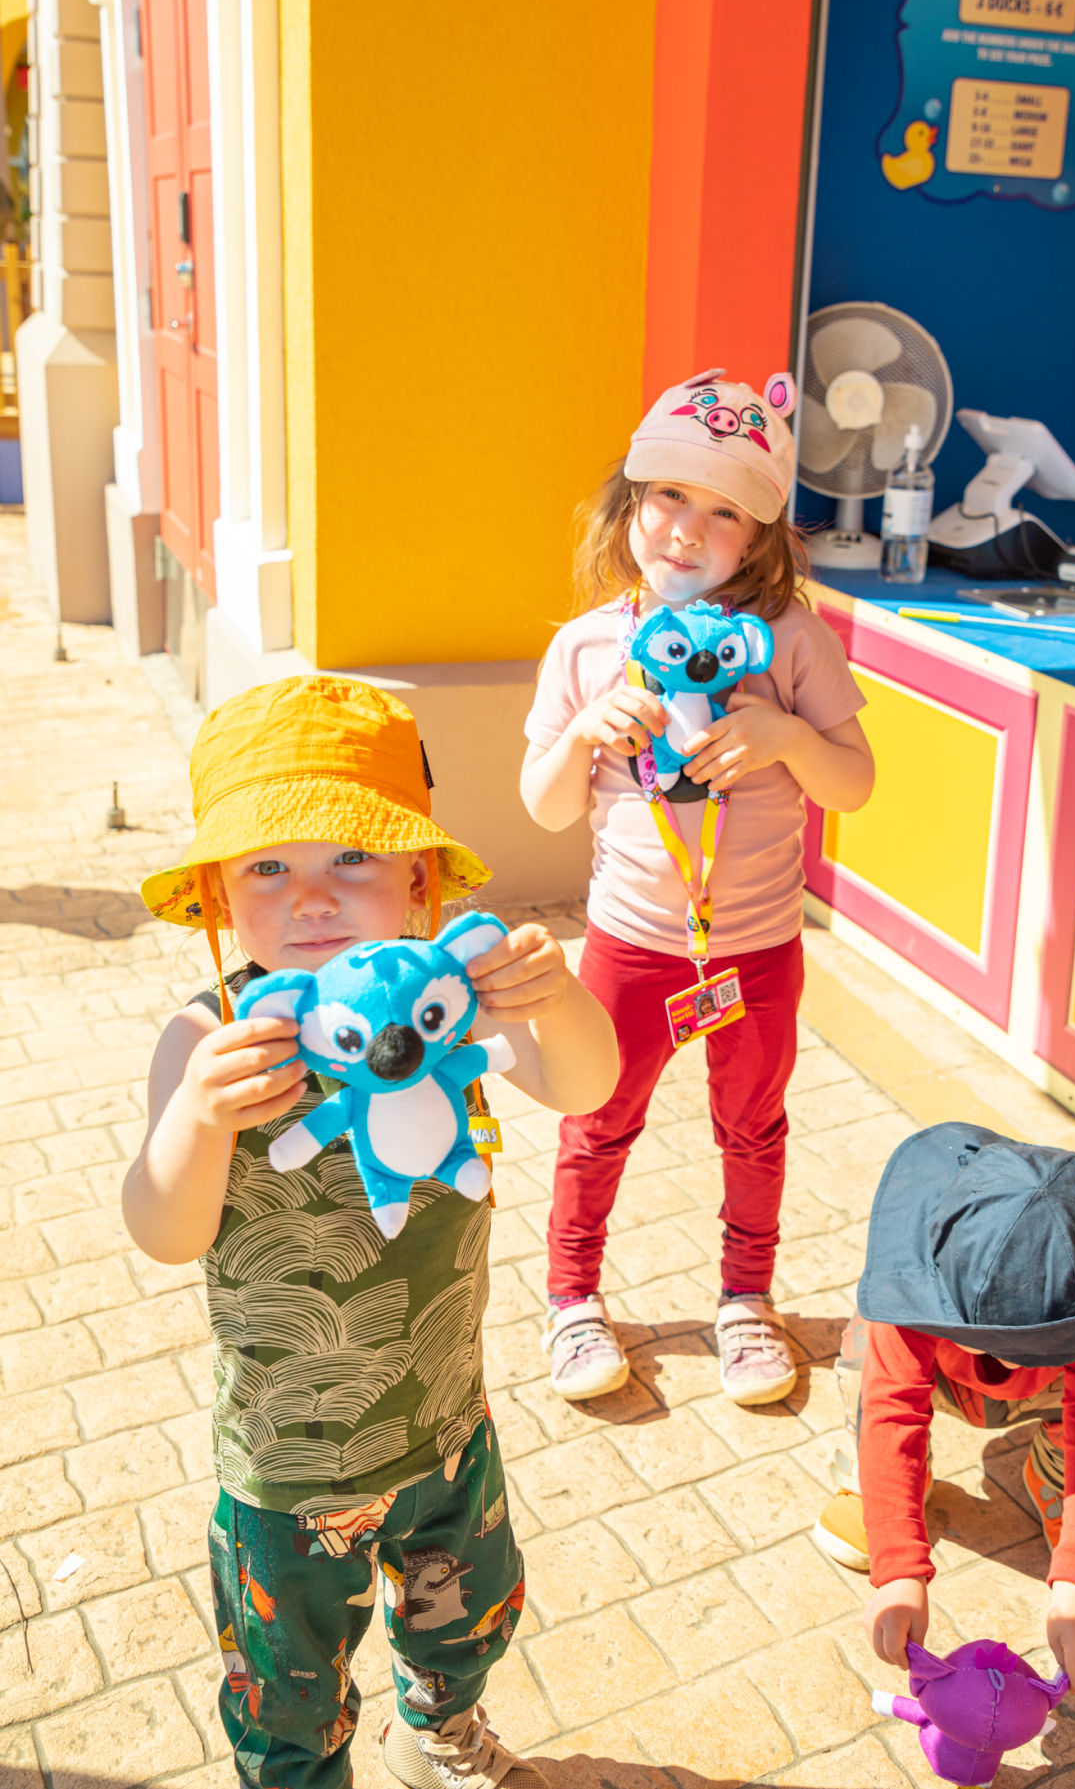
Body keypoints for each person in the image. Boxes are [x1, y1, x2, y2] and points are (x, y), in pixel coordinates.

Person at [123, 677, 619, 1789]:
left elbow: (586, 1087)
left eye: (350, 859)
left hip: (444, 1423)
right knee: (287, 1684)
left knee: (467, 1620)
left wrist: (554, 996)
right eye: (267, 868)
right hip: (289, 1469)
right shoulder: (208, 1040)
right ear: (215, 899)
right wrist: (199, 1119)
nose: (311, 898)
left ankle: (434, 1726)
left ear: (418, 881)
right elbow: (162, 1231)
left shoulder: (452, 1015)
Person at [521, 371, 874, 1405]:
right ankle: (573, 1298)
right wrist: (586, 735)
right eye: (669, 495)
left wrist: (788, 735)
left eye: (724, 511)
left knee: (753, 1125)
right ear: (629, 503)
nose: (687, 528)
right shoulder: (586, 647)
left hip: (757, 948)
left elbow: (853, 783)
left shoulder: (792, 643)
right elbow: (542, 805)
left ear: (760, 540)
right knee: (597, 1116)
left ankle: (745, 1301)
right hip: (629, 944)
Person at [813, 1124, 1075, 1692]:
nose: (1010, 1362)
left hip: (1045, 1398)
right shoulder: (908, 1298)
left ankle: (1054, 1479)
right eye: (995, 1345)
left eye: (1050, 1348)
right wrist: (899, 1568)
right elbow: (894, 1411)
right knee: (865, 1356)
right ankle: (886, 1488)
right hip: (940, 1382)